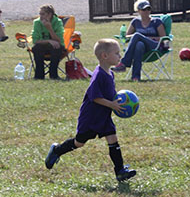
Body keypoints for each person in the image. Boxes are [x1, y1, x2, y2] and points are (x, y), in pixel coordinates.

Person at [44, 38, 137, 183]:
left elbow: (109, 93)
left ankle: (120, 171)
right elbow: (95, 97)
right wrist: (112, 105)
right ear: (104, 56)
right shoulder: (98, 74)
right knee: (79, 142)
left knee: (113, 139)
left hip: (104, 116)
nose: (120, 56)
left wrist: (119, 100)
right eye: (117, 53)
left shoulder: (110, 73)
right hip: (91, 117)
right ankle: (57, 150)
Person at [112, 0, 166, 81]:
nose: (147, 11)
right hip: (143, 48)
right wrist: (137, 37)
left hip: (155, 46)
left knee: (137, 35)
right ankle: (135, 77)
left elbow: (164, 38)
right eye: (144, 9)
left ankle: (124, 63)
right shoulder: (135, 22)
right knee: (139, 45)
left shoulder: (156, 21)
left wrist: (146, 38)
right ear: (138, 11)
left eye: (148, 9)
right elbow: (127, 37)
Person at [31, 4, 65, 80]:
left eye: (43, 14)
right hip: (42, 46)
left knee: (57, 47)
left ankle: (54, 75)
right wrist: (49, 41)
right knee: (37, 48)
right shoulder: (37, 22)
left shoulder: (58, 22)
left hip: (56, 47)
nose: (41, 16)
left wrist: (49, 28)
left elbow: (58, 41)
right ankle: (39, 76)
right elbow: (35, 41)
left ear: (50, 14)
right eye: (40, 14)